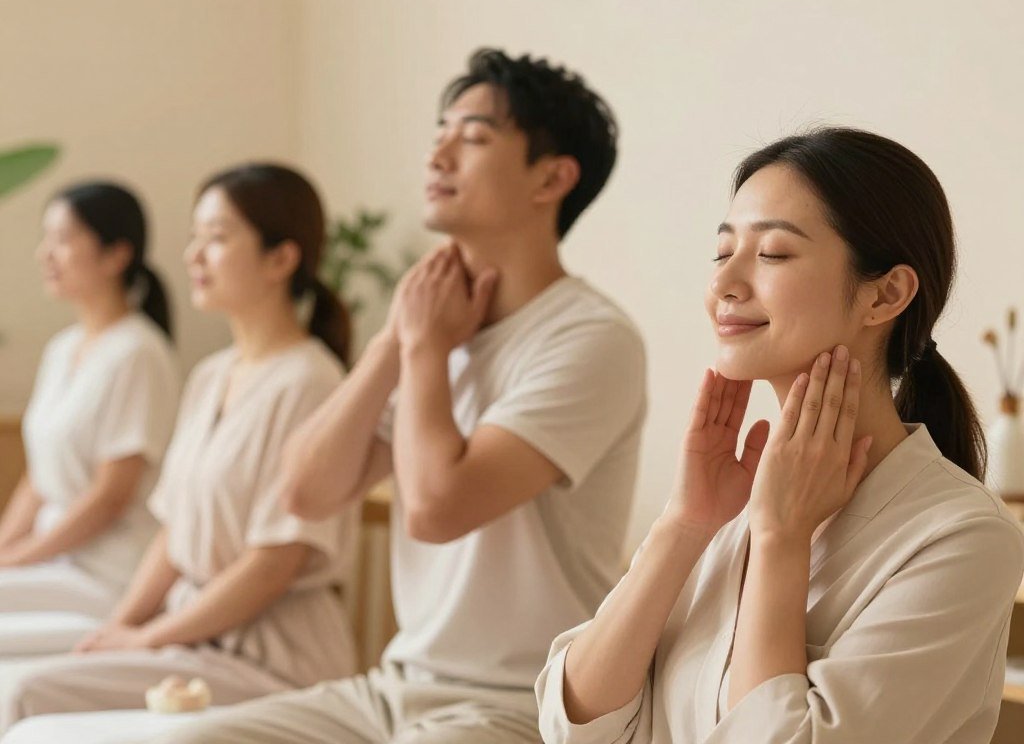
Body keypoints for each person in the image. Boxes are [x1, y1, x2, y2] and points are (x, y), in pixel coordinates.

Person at [137, 47, 647, 744]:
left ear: (552, 178)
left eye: (472, 137)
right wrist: (393, 344)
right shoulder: (433, 326)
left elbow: (440, 507)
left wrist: (426, 350)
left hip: (519, 702)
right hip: (392, 688)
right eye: (441, 131)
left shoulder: (592, 338)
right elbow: (305, 493)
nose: (439, 154)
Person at [536, 127, 1024, 744]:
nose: (725, 285)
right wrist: (685, 524)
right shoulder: (722, 509)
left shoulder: (964, 537)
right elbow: (572, 726)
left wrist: (781, 540)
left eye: (772, 254)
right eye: (721, 253)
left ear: (886, 293)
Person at [0, 164, 359, 732]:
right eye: (196, 236)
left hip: (270, 658)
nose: (193, 254)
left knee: (22, 694)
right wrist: (116, 632)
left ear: (281, 259)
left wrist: (147, 636)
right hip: (192, 639)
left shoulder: (310, 382)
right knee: (25, 689)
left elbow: (273, 564)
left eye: (216, 238)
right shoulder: (210, 375)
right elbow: (173, 533)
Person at [0, 182, 180, 656]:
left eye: (62, 239)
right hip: (54, 561)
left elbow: (110, 497)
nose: (45, 253)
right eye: (46, 238)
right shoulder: (62, 350)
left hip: (106, 573)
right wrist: (6, 548)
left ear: (116, 254)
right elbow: (41, 479)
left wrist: (20, 558)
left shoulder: (139, 353)